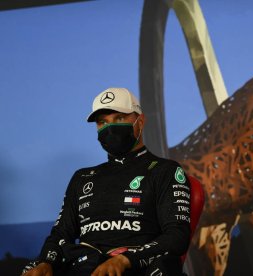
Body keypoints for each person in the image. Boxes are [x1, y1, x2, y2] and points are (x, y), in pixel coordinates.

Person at [22, 88, 191, 276]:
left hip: (136, 267)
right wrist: (46, 262)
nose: (110, 128)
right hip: (85, 266)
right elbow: (61, 234)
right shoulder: (82, 177)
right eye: (102, 122)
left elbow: (177, 236)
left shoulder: (165, 171)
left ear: (140, 121)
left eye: (119, 118)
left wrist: (125, 260)